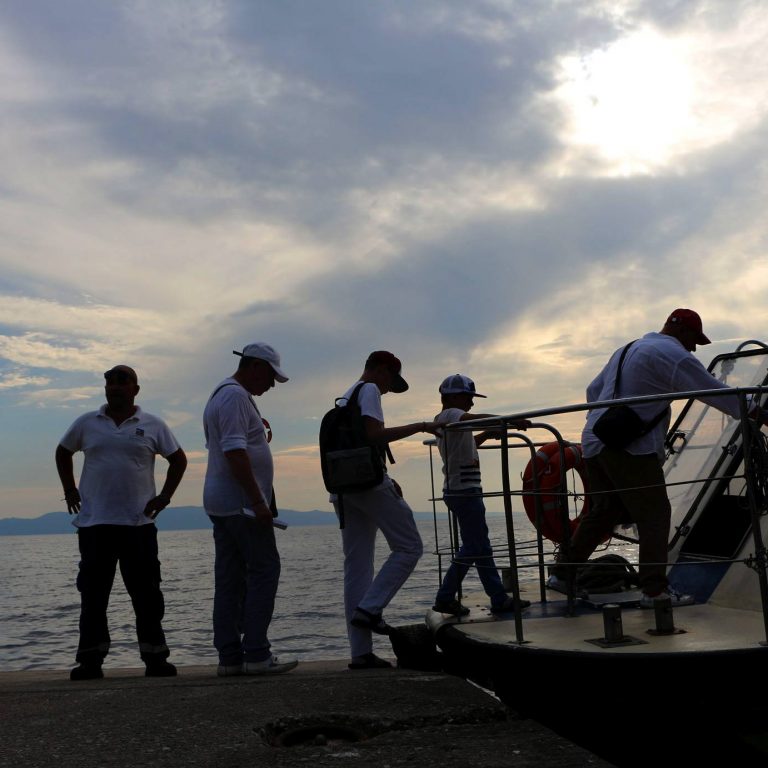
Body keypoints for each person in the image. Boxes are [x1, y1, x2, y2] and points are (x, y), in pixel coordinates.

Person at [553, 308, 764, 607]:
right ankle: (654, 591)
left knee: (604, 510)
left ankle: (562, 574)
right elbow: (711, 390)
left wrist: (602, 416)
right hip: (628, 447)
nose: (693, 348)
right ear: (683, 332)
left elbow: (593, 390)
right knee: (654, 514)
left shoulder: (627, 349)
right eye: (694, 341)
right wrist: (754, 410)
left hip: (594, 440)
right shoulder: (672, 354)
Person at [55, 365, 188, 680]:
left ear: (135, 389)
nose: (115, 387)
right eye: (110, 383)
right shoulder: (87, 423)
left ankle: (155, 658)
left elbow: (178, 460)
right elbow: (63, 452)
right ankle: (90, 661)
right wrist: (69, 489)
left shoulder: (153, 425)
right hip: (95, 525)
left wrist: (165, 497)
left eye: (122, 382)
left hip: (138, 525)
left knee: (146, 594)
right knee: (93, 595)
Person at [333, 351, 437, 670]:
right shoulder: (369, 391)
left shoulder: (344, 397)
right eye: (391, 380)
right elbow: (373, 435)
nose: (390, 389)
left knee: (358, 567)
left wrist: (388, 476)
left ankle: (360, 653)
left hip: (343, 487)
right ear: (381, 370)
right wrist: (420, 426)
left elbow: (357, 443)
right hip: (368, 486)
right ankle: (371, 609)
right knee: (409, 547)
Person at [203, 342, 297, 676]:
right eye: (270, 376)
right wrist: (258, 501)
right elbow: (234, 451)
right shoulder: (234, 397)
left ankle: (230, 658)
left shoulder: (222, 395)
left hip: (223, 503)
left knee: (229, 578)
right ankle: (256, 652)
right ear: (255, 366)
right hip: (242, 505)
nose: (271, 385)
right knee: (264, 570)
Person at [432, 374, 531, 616]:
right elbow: (473, 419)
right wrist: (507, 420)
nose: (471, 403)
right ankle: (445, 597)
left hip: (462, 490)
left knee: (481, 546)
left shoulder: (450, 422)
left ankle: (498, 597)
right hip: (464, 492)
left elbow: (466, 442)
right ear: (453, 397)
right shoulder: (449, 416)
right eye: (468, 397)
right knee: (474, 546)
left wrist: (487, 435)